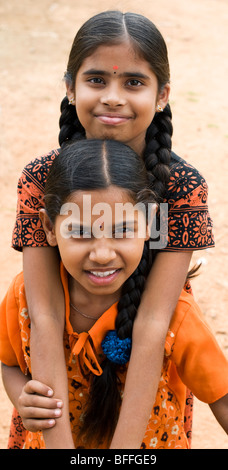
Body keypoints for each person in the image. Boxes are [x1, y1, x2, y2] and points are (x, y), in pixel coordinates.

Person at [11, 11, 215, 448]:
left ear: (162, 95)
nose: (114, 98)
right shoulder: (40, 179)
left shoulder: (181, 189)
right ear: (70, 88)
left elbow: (155, 322)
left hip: (147, 374)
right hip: (57, 372)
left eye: (134, 83)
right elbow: (43, 315)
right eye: (97, 80)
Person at [1, 140, 227, 449]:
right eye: (81, 233)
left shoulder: (177, 313)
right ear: (49, 228)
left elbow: (221, 396)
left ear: (149, 224)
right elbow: (9, 363)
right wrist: (23, 398)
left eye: (122, 231)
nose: (103, 254)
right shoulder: (24, 296)